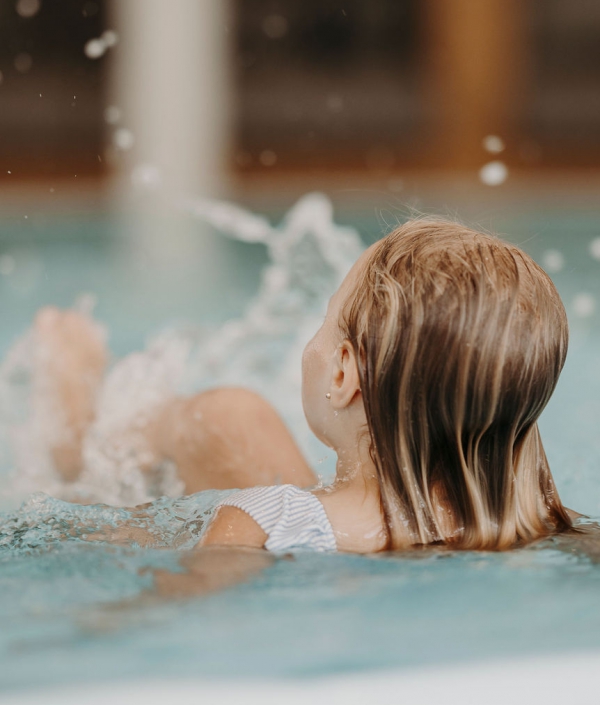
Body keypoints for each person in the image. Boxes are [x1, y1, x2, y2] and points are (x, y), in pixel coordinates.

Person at [29, 218, 575, 558]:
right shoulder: (539, 524)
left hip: (292, 546)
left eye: (326, 318)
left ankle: (77, 435)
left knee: (226, 415)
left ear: (341, 375)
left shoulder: (261, 522)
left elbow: (171, 617)